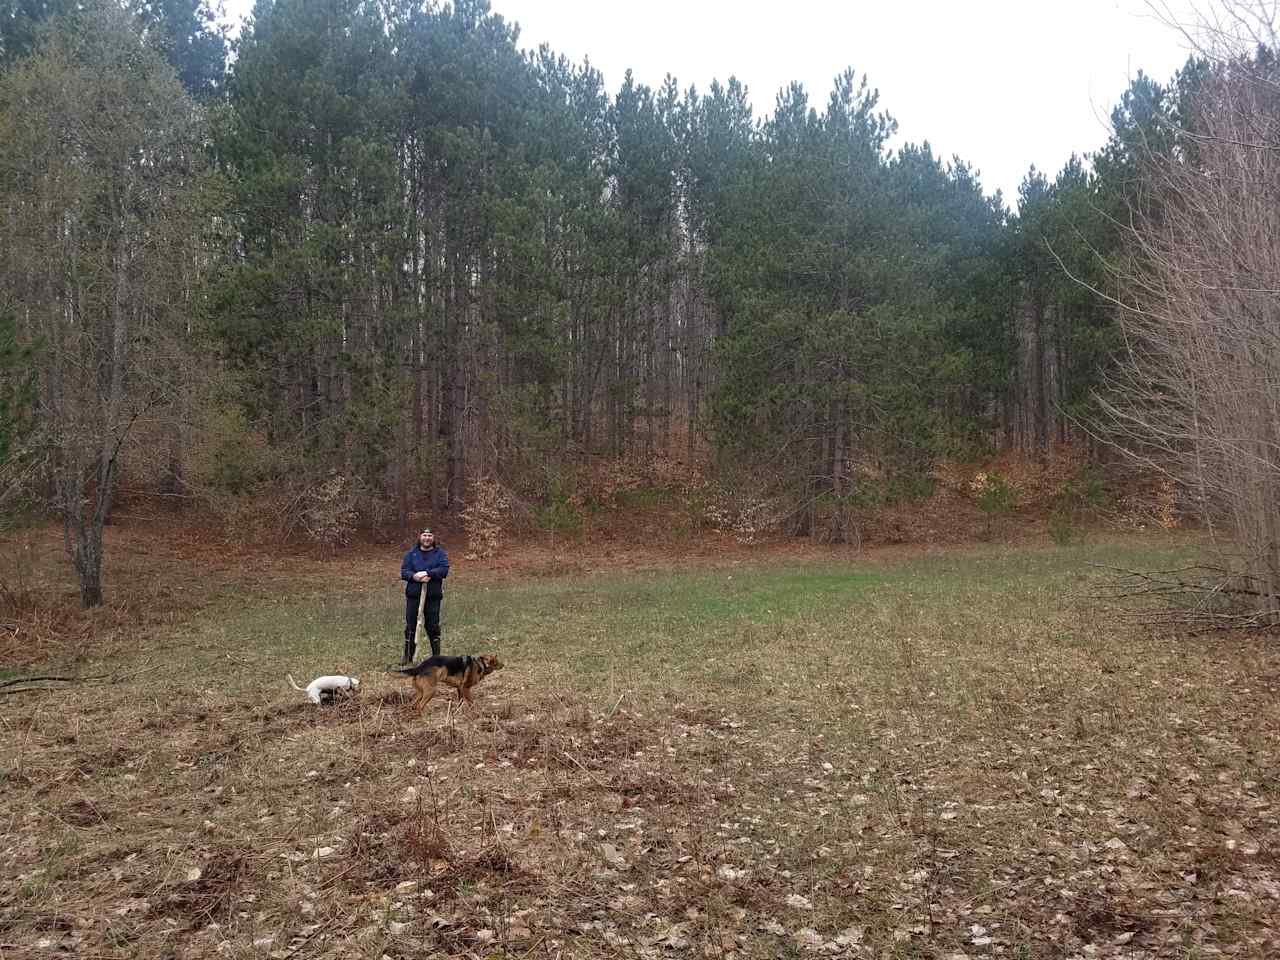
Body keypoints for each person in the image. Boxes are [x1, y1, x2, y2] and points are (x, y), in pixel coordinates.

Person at [400, 527, 450, 664]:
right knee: (411, 626)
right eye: (424, 535)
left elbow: (444, 570)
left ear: (433, 538)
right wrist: (415, 576)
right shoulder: (412, 554)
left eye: (429, 535)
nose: (427, 538)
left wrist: (428, 574)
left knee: (432, 626)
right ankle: (408, 657)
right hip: (414, 596)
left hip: (432, 596)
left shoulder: (439, 554)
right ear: (420, 537)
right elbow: (404, 572)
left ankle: (437, 658)